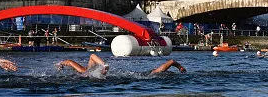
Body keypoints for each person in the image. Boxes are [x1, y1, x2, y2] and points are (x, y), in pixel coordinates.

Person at [57, 54, 186, 76]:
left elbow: (68, 61)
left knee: (91, 57)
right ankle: (103, 65)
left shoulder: (82, 71)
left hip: (90, 74)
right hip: (95, 73)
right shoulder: (155, 73)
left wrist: (59, 64)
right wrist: (180, 67)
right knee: (91, 57)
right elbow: (172, 61)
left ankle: (103, 65)